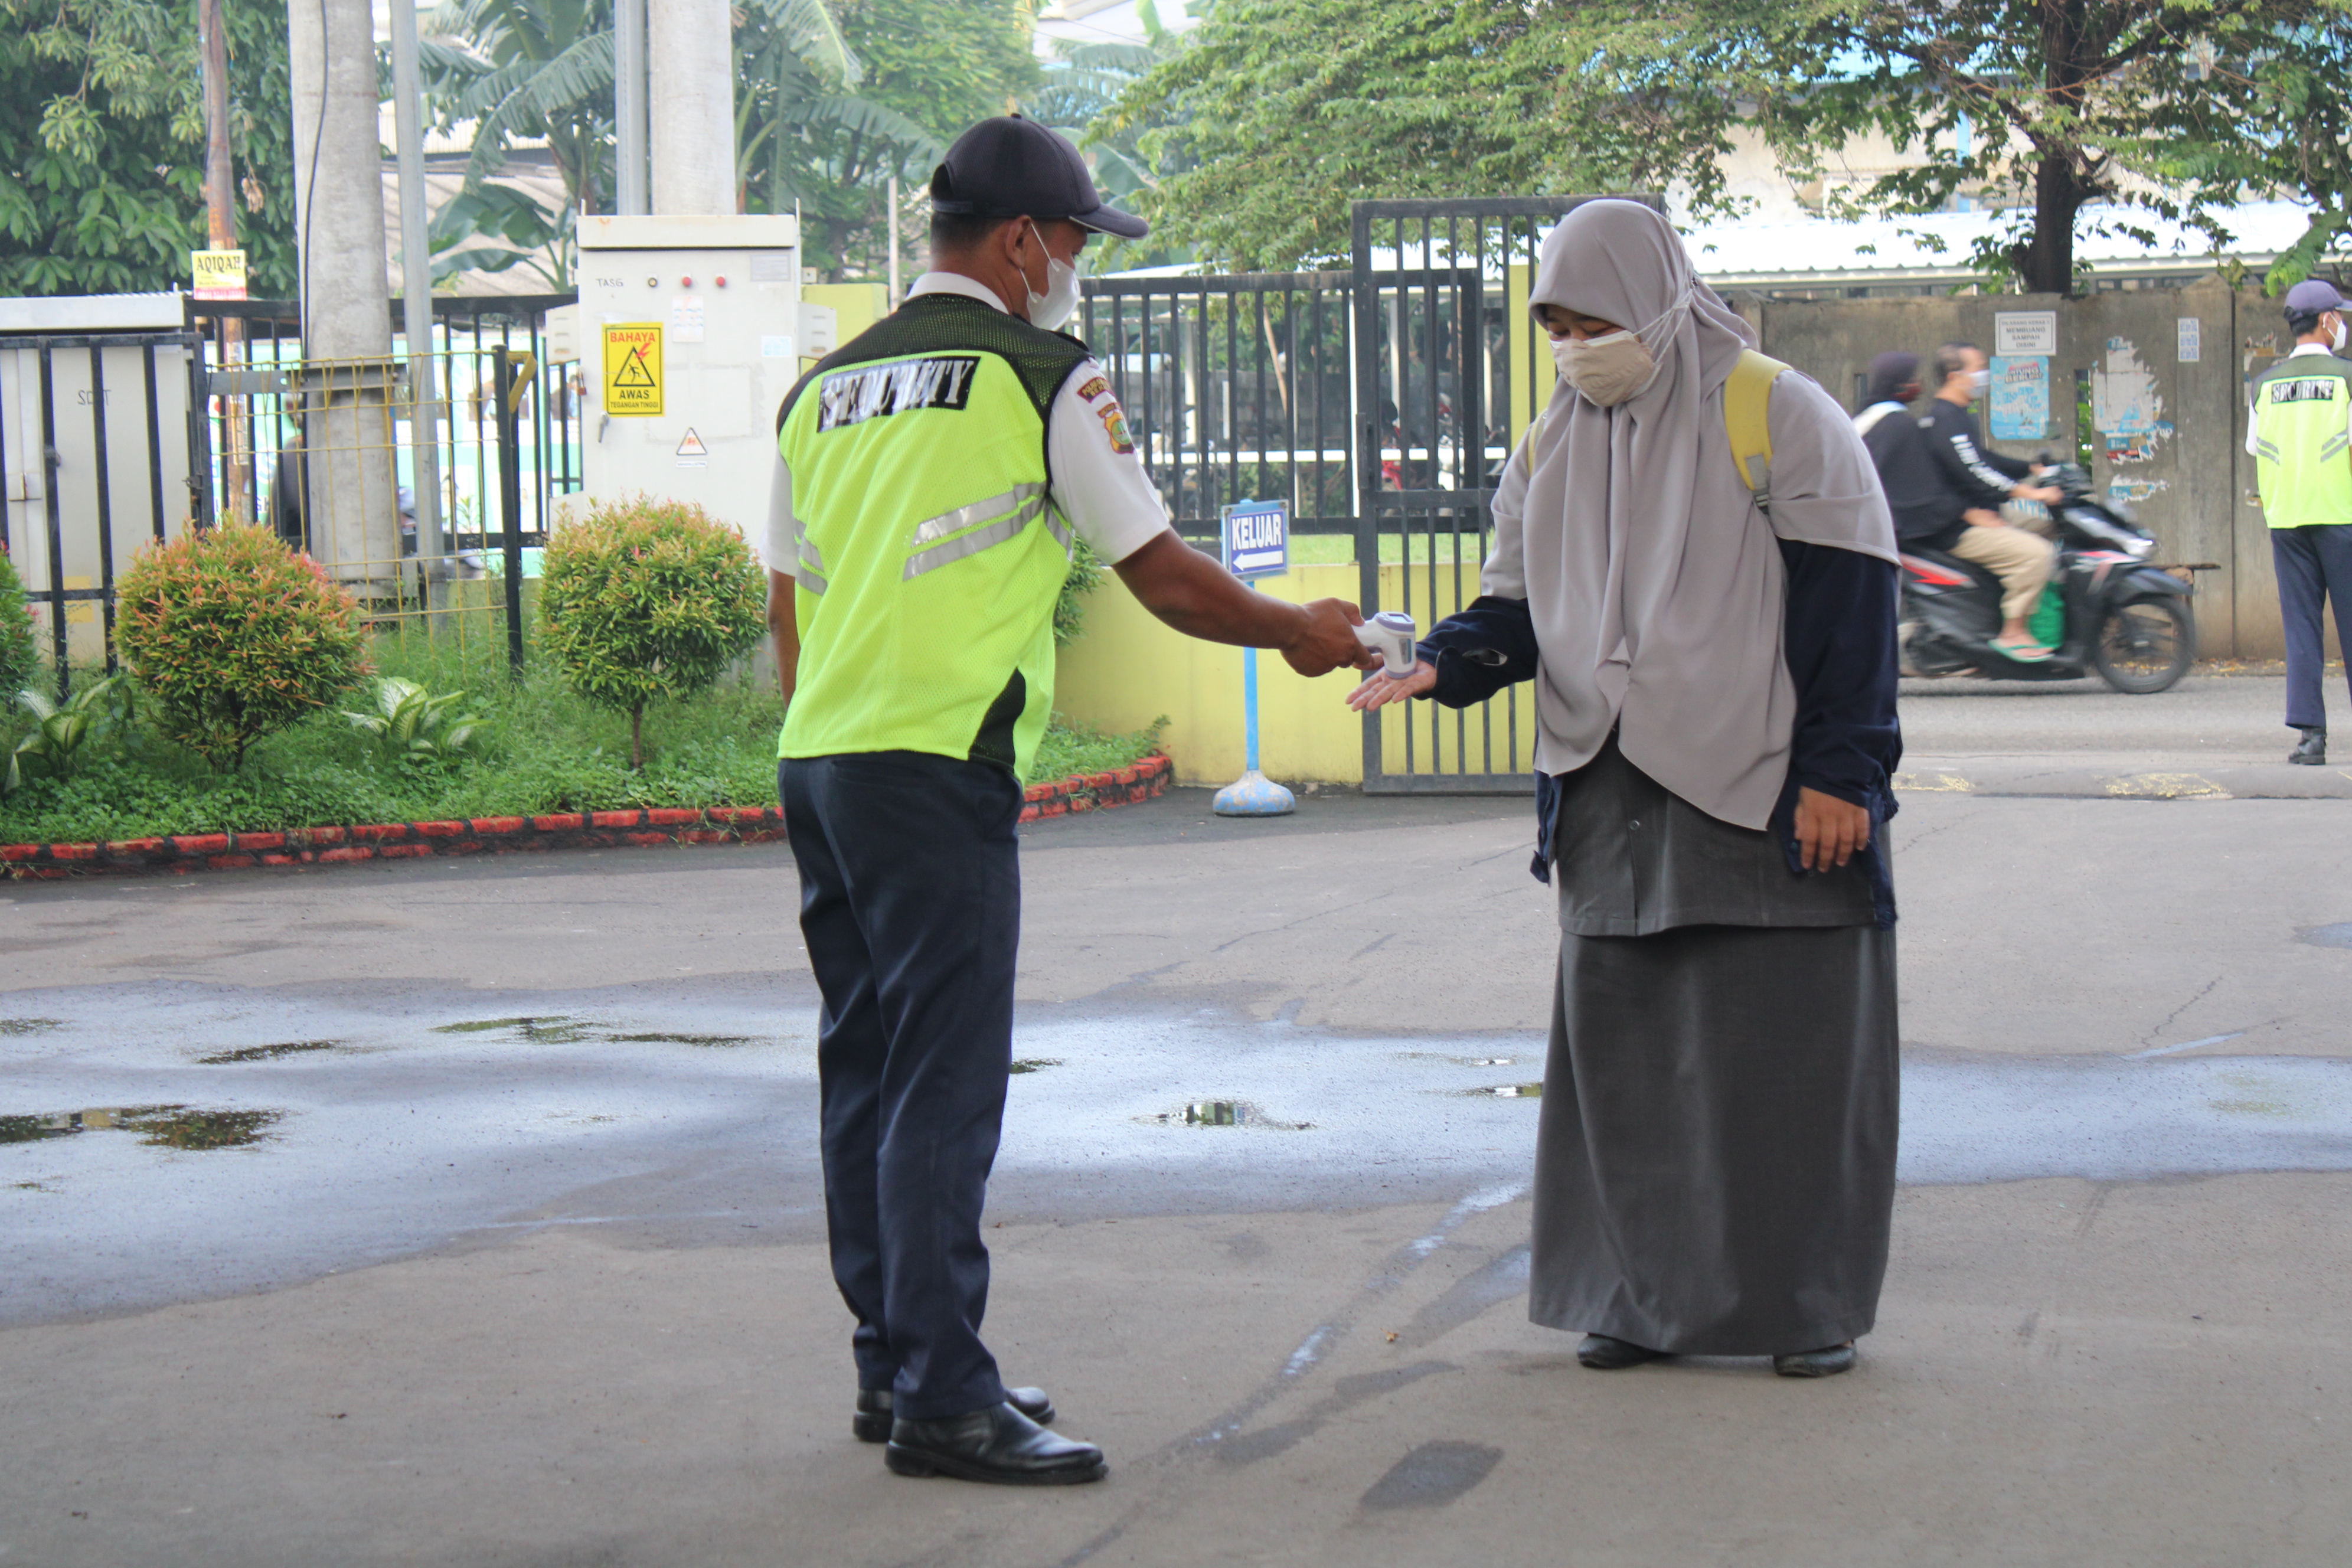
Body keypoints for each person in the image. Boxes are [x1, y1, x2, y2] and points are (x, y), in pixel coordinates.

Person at [765, 115, 1375, 1487]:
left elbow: (788, 599)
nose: (1078, 265)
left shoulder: (823, 388)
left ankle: (896, 1360)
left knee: (866, 1065)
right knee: (941, 1078)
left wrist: (829, 734)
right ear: (1021, 241)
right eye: (1077, 240)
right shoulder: (1039, 372)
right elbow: (1158, 569)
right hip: (935, 767)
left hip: (824, 764)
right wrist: (1296, 629)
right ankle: (945, 1397)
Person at [1350, 200, 1903, 1379]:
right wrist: (1441, 663)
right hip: (1606, 787)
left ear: (1656, 299)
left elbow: (1852, 602)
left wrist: (1841, 773)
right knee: (1625, 1063)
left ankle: (1804, 1307)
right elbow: (1514, 609)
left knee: (1787, 1056)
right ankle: (1631, 1299)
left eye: (1594, 322)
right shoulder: (1549, 446)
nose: (1576, 347)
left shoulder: (1775, 410)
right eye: (1555, 327)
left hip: (1761, 780)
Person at [2245, 278, 2352, 765]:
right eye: (2340, 316)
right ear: (2326, 321)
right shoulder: (2346, 378)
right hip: (2340, 514)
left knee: (2302, 627)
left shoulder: (2264, 384)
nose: (2343, 323)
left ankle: (2311, 738)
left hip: (2287, 518)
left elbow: (2256, 447)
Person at [1920, 343, 2066, 657]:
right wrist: (2032, 493)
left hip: (1982, 512)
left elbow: (1985, 459)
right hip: (1959, 526)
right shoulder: (1945, 421)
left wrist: (2031, 469)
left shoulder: (1960, 416)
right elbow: (1976, 472)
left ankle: (2040, 604)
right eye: (1979, 368)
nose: (1985, 375)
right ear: (1955, 376)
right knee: (2037, 555)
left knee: (2049, 524)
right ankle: (2013, 632)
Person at [1853, 351, 1950, 550]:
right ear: (1898, 385)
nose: (1918, 384)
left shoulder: (1868, 418)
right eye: (1912, 379)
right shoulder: (1900, 425)